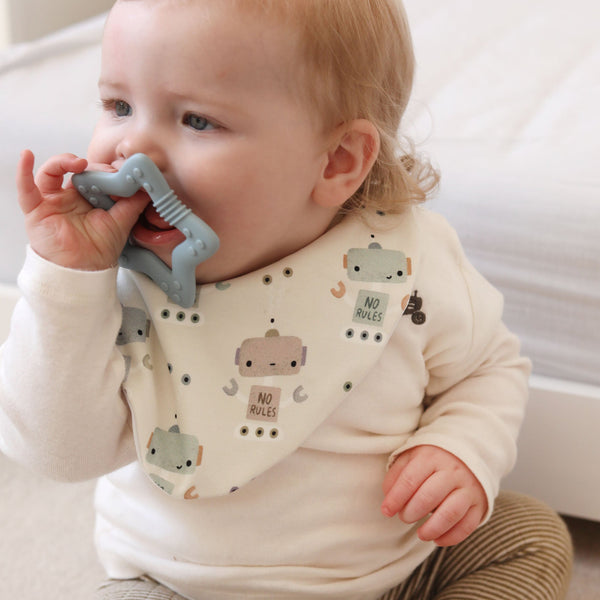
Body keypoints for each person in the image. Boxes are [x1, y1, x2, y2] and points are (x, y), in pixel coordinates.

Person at [0, 1, 572, 598]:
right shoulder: (111, 284)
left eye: (196, 120)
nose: (132, 150)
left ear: (338, 162)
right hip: (176, 583)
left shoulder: (405, 264)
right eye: (119, 106)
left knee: (529, 535)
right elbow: (55, 452)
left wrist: (461, 446)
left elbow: (489, 366)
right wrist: (65, 283)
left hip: (389, 576)